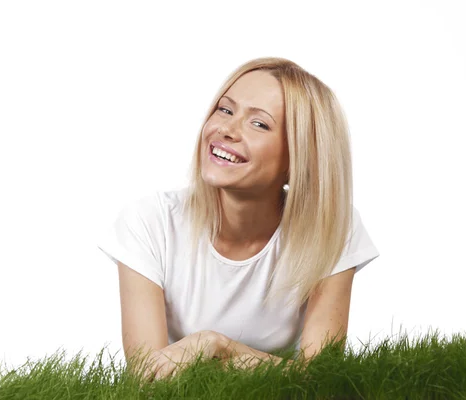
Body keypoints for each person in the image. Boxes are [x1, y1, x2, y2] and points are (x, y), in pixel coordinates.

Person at [97, 57, 380, 382]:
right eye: (225, 110)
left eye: (259, 124)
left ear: (299, 156)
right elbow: (148, 377)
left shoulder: (332, 230)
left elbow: (318, 379)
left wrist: (217, 347)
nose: (226, 130)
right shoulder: (148, 223)